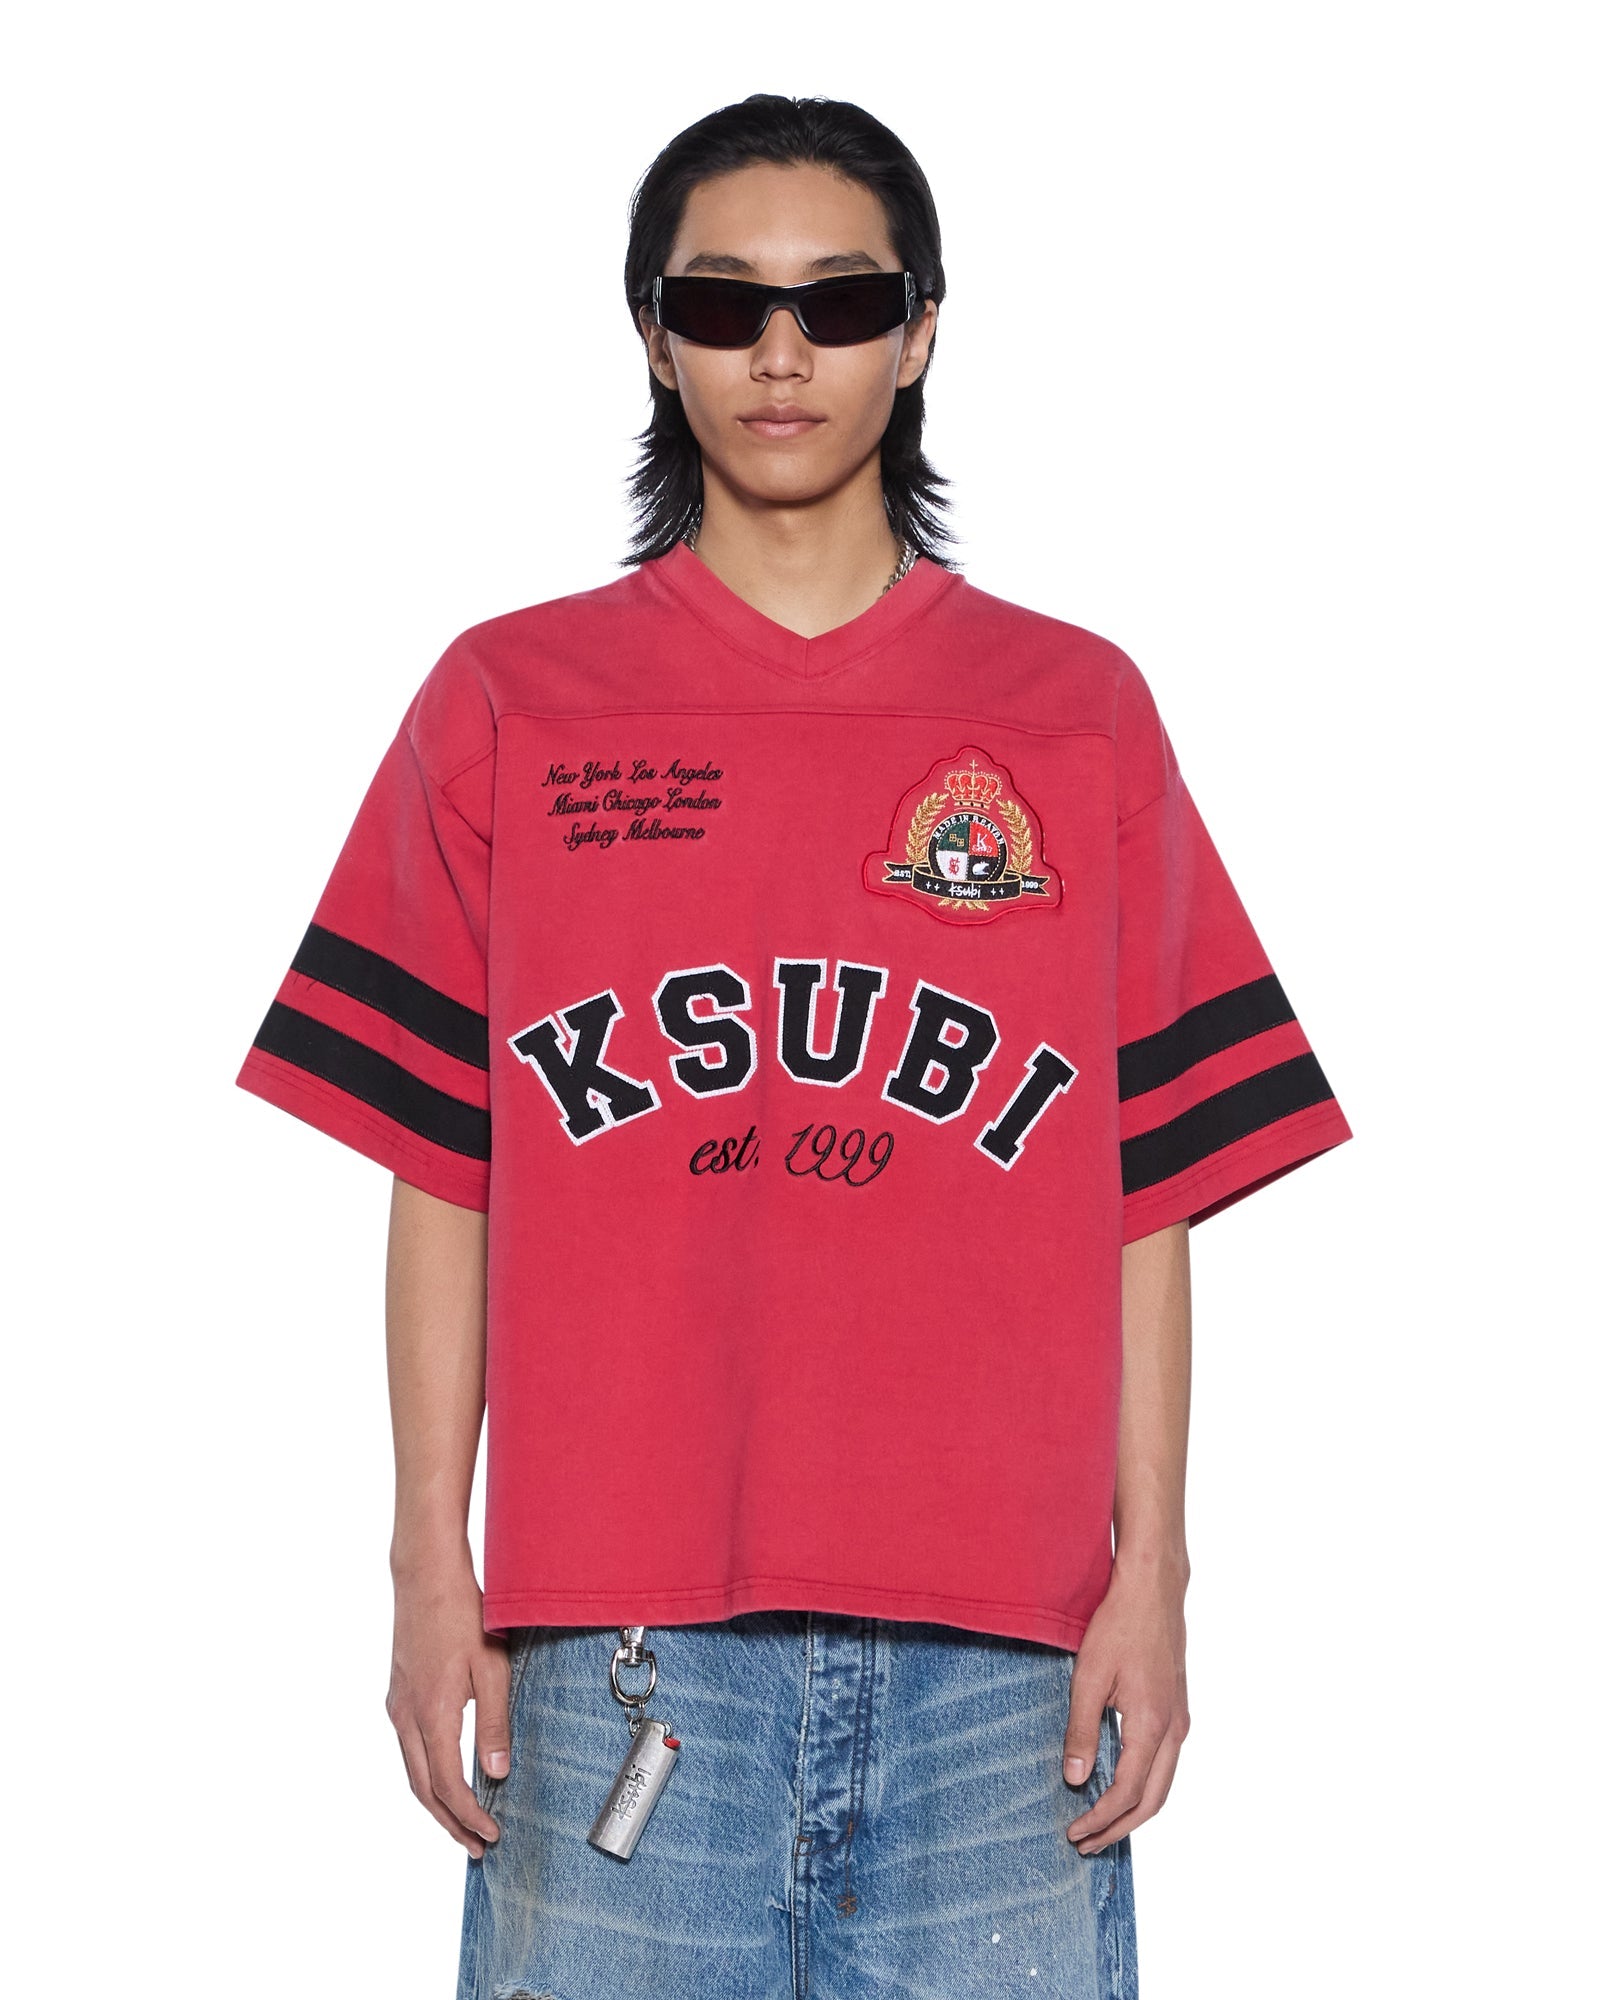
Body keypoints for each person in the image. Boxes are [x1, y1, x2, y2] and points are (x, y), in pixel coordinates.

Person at [235, 92, 1351, 2000]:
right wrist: (430, 1567)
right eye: (722, 302)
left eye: (839, 304)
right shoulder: (512, 701)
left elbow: (1145, 1185)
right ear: (650, 336)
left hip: (1007, 1656)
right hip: (617, 1640)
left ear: (919, 335)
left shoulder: (1073, 712)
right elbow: (444, 1165)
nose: (781, 352)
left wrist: (1156, 1573)